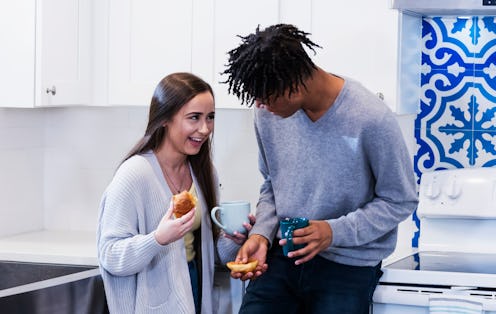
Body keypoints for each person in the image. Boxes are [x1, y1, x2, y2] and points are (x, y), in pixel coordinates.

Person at [222, 24, 419, 314]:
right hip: (284, 255)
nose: (259, 105)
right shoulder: (267, 115)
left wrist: (332, 232)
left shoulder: (370, 118)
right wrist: (261, 235)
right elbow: (272, 185)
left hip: (348, 266)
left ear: (295, 81)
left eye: (265, 96)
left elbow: (400, 199)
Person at [97, 72, 251, 314]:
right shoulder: (134, 174)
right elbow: (111, 255)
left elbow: (211, 252)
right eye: (194, 118)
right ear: (165, 119)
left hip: (194, 290)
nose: (204, 129)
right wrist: (157, 239)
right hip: (154, 302)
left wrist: (234, 239)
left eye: (210, 117)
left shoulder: (204, 172)